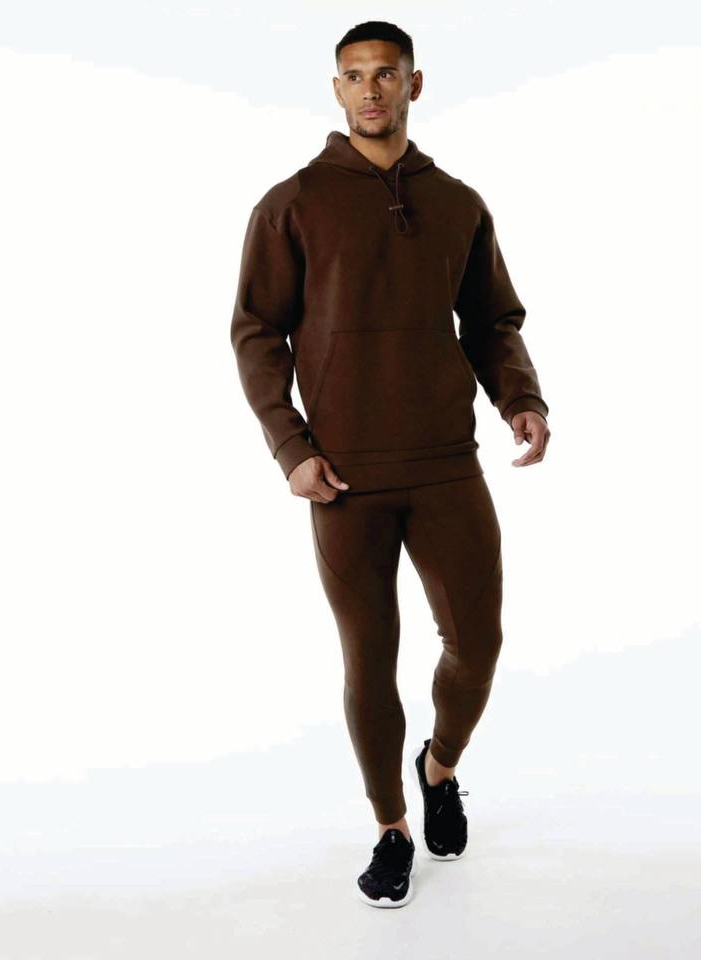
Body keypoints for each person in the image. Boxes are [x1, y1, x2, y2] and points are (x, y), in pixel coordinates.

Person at [229, 20, 550, 908]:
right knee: (370, 660)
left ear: (415, 83)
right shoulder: (292, 203)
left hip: (446, 462)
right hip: (343, 475)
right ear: (336, 89)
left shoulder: (458, 203)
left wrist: (521, 398)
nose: (370, 89)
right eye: (354, 75)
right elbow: (256, 333)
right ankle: (391, 827)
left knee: (477, 644)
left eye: (385, 73)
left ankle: (438, 767)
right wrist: (290, 447)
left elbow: (492, 321)